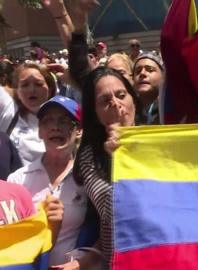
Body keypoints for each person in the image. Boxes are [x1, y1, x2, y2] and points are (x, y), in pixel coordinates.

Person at [7, 95, 96, 268]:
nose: (55, 127)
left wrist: (80, 264)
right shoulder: (18, 180)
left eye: (64, 121)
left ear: (78, 130)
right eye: (47, 121)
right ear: (40, 131)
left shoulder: (89, 179)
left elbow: (105, 232)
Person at [73, 67, 143, 268]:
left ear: (133, 100)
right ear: (95, 113)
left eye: (121, 95)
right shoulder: (89, 157)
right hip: (120, 261)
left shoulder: (161, 142)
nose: (116, 103)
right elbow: (113, 210)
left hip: (162, 252)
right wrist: (119, 160)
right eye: (105, 101)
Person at [0, 63, 57, 165]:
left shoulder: (65, 115)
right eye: (25, 85)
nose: (32, 90)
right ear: (17, 91)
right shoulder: (9, 111)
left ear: (51, 88)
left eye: (38, 84)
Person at [133, 53, 165, 124]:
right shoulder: (127, 110)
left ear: (163, 76)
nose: (142, 73)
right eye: (138, 71)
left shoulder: (172, 108)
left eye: (150, 70)